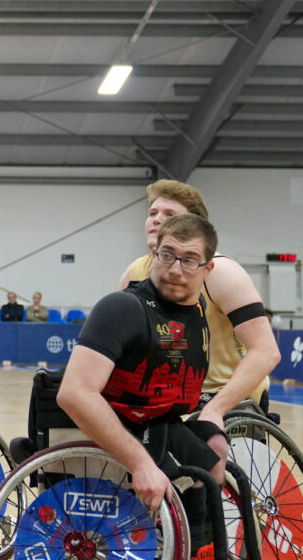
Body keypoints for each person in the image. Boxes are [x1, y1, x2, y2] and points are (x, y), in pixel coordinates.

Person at [61, 214, 223, 553]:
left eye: (189, 260)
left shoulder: (197, 311)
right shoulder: (122, 307)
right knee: (191, 475)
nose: (176, 268)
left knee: (214, 458)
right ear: (154, 256)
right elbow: (74, 393)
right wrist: (140, 463)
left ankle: (201, 546)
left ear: (207, 270)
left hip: (162, 422)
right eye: (167, 255)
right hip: (116, 427)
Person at [119, 179, 279, 417]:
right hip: (168, 396)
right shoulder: (134, 273)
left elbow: (266, 352)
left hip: (226, 396)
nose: (156, 219)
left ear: (194, 226)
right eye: (152, 212)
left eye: (169, 214)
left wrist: (215, 410)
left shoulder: (221, 272)